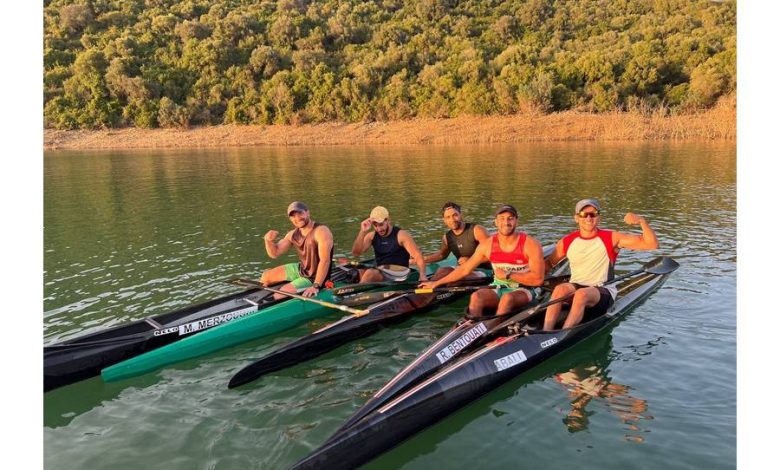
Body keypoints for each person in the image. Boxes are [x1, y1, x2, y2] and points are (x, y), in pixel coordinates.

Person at [542, 198, 658, 330]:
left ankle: (563, 333)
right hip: (576, 285)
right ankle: (546, 330)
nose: (588, 218)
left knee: (581, 294)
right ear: (576, 218)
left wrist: (642, 221)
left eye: (593, 214)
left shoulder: (611, 238)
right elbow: (549, 263)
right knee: (559, 289)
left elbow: (651, 244)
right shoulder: (567, 241)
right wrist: (532, 277)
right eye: (584, 214)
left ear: (599, 218)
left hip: (603, 290)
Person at [419, 204, 545, 316]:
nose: (506, 222)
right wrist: (436, 283)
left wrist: (509, 274)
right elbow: (464, 269)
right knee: (476, 296)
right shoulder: (488, 245)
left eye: (510, 218)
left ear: (517, 221)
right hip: (498, 286)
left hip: (524, 288)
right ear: (496, 222)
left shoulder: (531, 244)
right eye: (501, 218)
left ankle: (494, 330)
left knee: (507, 299)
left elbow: (538, 279)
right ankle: (471, 326)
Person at [260, 201, 334, 299]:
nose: (297, 218)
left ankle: (277, 300)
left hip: (314, 277)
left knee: (281, 293)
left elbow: (325, 261)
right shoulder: (292, 234)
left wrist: (316, 286)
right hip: (302, 269)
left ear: (308, 213)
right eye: (293, 216)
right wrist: (268, 241)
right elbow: (275, 253)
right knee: (266, 277)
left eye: (300, 213)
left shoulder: (321, 231)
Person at [351, 206, 428, 283]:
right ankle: (361, 287)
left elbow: (418, 256)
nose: (379, 229)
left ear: (388, 220)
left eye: (381, 224)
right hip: (382, 270)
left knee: (370, 273)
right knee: (358, 273)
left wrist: (422, 275)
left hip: (400, 273)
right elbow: (356, 253)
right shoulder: (371, 236)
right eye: (375, 225)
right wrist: (362, 231)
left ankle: (358, 289)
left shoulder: (401, 235)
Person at [417, 202, 491, 280]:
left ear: (461, 215)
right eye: (448, 217)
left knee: (453, 276)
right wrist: (420, 259)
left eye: (455, 215)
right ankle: (428, 286)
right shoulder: (447, 237)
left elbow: (493, 254)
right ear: (444, 220)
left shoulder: (477, 230)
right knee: (441, 271)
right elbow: (441, 255)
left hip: (485, 271)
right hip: (463, 270)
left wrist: (471, 261)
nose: (452, 220)